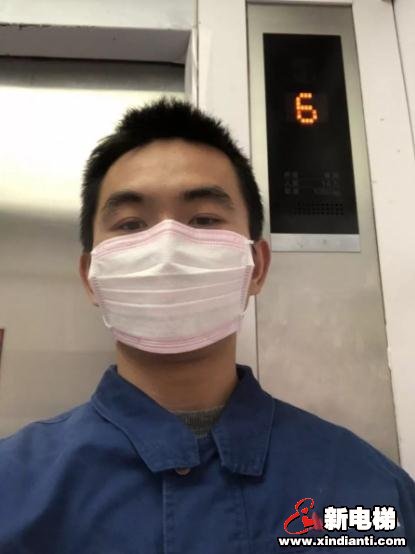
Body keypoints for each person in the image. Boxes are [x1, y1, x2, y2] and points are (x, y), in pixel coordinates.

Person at [0, 98, 414, 553]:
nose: (167, 250)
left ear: (256, 267)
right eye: (131, 224)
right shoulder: (12, 489)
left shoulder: (372, 492)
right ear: (90, 276)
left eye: (204, 219)